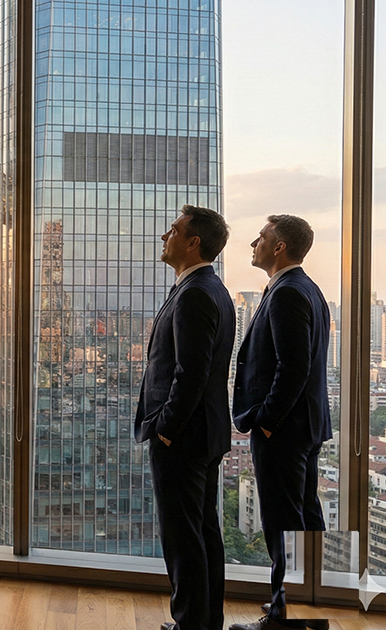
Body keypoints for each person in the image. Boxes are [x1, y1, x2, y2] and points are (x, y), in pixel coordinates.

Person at [230, 216, 332, 630]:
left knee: (283, 523)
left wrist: (268, 421)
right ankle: (305, 609)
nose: (253, 243)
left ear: (279, 247)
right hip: (305, 425)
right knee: (304, 518)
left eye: (262, 237)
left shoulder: (288, 292)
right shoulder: (306, 288)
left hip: (285, 430)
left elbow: (293, 368)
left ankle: (283, 619)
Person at [135, 205, 235, 630]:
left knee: (182, 538)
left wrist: (167, 429)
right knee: (203, 532)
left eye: (173, 230)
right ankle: (205, 622)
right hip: (204, 432)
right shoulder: (210, 288)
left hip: (184, 435)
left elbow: (189, 372)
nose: (165, 236)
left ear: (193, 242)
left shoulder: (195, 292)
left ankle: (190, 624)